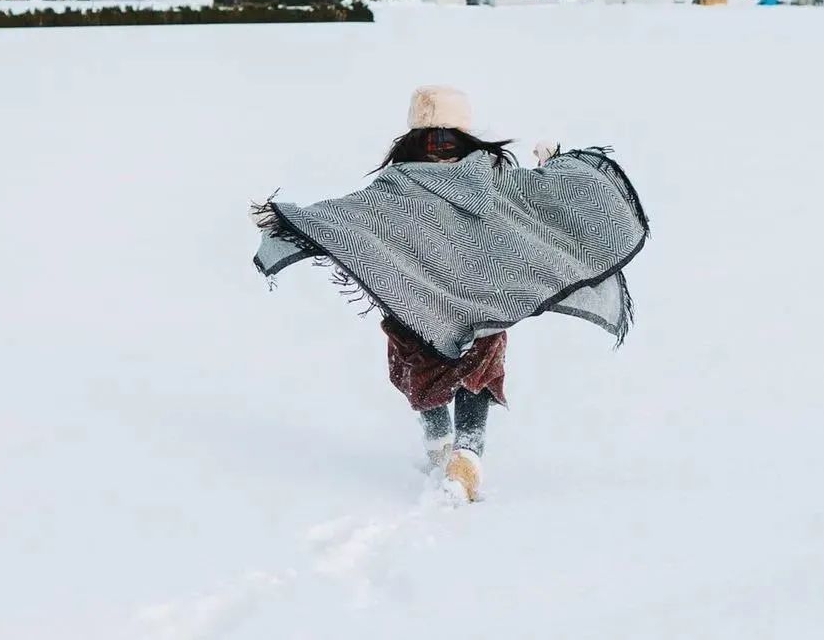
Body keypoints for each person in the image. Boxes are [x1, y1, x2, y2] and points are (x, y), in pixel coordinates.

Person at [251, 86, 649, 504]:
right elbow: (544, 196)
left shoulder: (396, 183)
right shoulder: (490, 178)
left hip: (415, 305)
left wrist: (288, 221)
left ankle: (438, 444)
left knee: (420, 371)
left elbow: (346, 218)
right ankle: (466, 454)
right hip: (484, 302)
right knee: (477, 373)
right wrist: (554, 164)